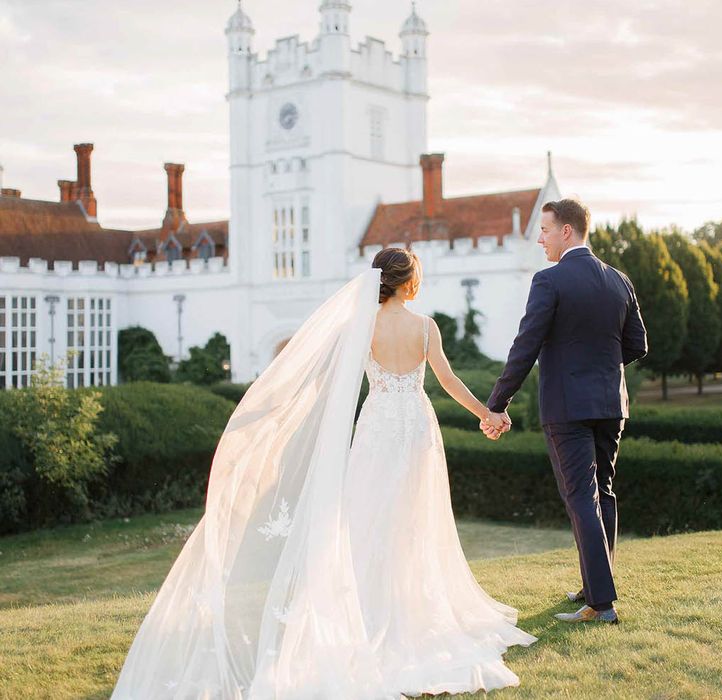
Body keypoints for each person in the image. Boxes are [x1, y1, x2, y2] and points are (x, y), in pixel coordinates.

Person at [110, 247, 536, 700]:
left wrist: (278, 413)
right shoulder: (425, 327)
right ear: (408, 282)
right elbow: (448, 382)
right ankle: (409, 606)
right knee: (412, 519)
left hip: (376, 427)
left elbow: (331, 381)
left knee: (365, 516)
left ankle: (365, 607)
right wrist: (487, 413)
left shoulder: (363, 326)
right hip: (415, 427)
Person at [480, 198, 648, 625]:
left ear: (567, 232)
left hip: (568, 407)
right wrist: (599, 368)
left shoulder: (549, 280)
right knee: (603, 492)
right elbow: (637, 345)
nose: (540, 239)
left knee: (581, 498)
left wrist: (496, 403)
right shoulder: (619, 280)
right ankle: (597, 586)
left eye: (545, 230)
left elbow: (526, 345)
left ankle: (601, 604)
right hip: (612, 403)